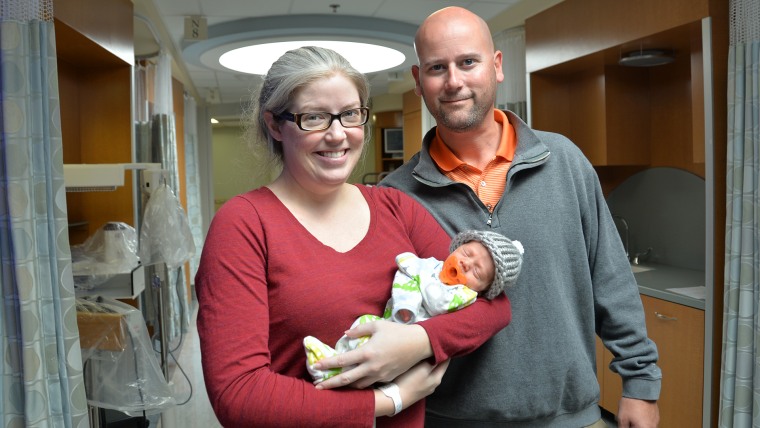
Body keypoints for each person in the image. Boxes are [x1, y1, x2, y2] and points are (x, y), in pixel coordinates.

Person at [194, 46, 512, 428]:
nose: (337, 134)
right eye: (314, 117)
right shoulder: (244, 225)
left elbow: (492, 306)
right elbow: (239, 395)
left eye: (350, 114)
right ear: (275, 125)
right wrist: (389, 400)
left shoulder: (396, 208)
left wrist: (416, 343)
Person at [378, 7, 662, 428]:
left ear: (496, 67)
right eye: (438, 67)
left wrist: (640, 382)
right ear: (419, 82)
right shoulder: (395, 196)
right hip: (449, 419)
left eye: (468, 62)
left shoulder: (564, 161)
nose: (454, 81)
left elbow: (611, 278)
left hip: (570, 418)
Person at [304, 230, 524, 383]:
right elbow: (405, 269)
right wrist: (406, 301)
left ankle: (336, 373)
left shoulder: (464, 295)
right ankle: (334, 358)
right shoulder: (429, 265)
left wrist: (421, 278)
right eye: (467, 254)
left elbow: (437, 303)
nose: (466, 264)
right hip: (390, 320)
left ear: (482, 290)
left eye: (477, 272)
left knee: (384, 369)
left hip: (413, 353)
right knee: (363, 325)